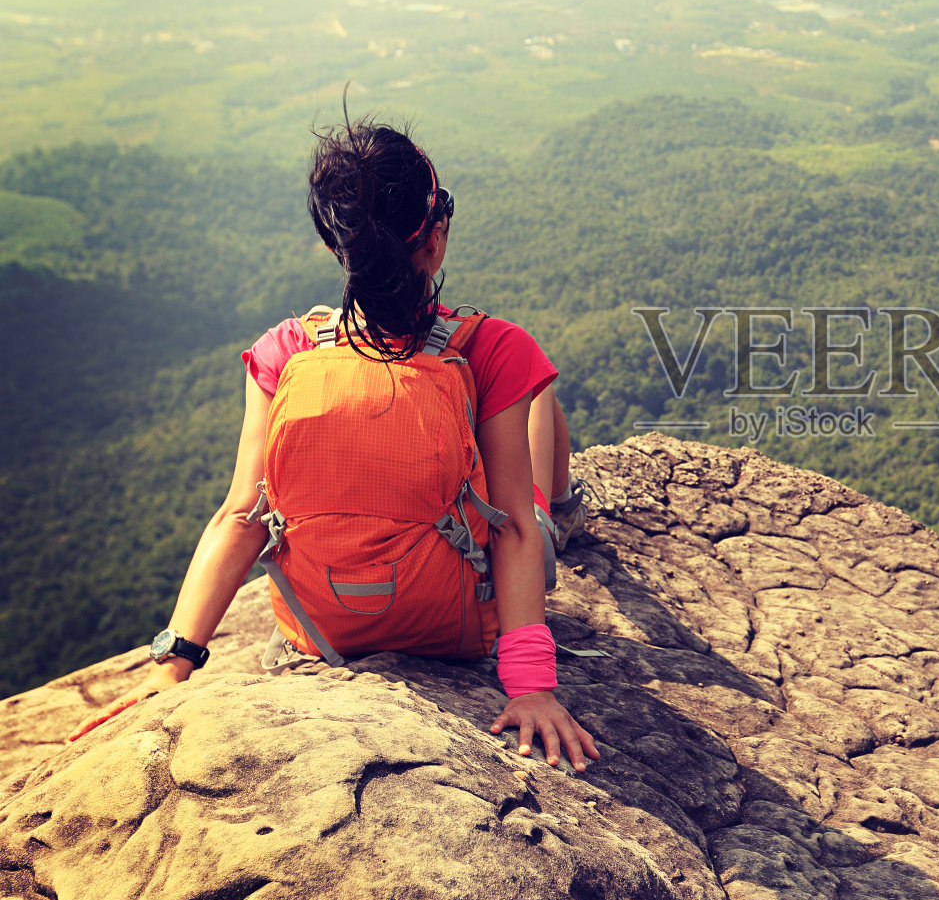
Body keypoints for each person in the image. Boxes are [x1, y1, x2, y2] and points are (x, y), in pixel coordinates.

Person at [68, 118, 600, 773]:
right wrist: (531, 688)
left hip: (318, 635)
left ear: (335, 249)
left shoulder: (285, 352)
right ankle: (569, 508)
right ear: (435, 240)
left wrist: (173, 664)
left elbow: (242, 515)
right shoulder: (494, 349)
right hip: (460, 631)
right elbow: (514, 527)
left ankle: (563, 501)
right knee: (541, 398)